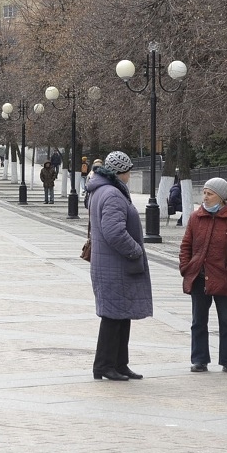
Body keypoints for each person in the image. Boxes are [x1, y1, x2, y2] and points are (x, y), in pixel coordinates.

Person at [86, 151, 151, 382]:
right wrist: (135, 250)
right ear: (120, 172)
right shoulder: (112, 193)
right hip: (115, 266)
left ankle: (120, 364)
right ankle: (104, 365)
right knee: (113, 318)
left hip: (111, 265)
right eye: (128, 171)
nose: (130, 175)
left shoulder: (102, 190)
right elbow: (114, 232)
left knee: (122, 315)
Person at [179, 178, 227, 374]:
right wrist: (186, 267)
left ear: (222, 197)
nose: (205, 197)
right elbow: (186, 245)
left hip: (224, 278)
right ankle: (199, 360)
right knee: (198, 322)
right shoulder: (196, 217)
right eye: (204, 192)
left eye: (210, 194)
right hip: (199, 277)